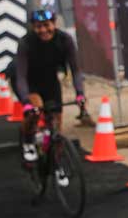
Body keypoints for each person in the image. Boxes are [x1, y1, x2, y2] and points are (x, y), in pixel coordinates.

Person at [9, 9, 86, 165]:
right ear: (33, 27)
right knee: (35, 110)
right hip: (28, 81)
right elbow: (21, 76)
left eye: (46, 25)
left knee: (56, 125)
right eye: (38, 27)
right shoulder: (26, 43)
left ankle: (56, 164)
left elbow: (76, 70)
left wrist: (80, 94)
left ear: (54, 24)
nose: (43, 30)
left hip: (49, 80)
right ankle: (28, 141)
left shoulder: (65, 40)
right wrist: (26, 102)